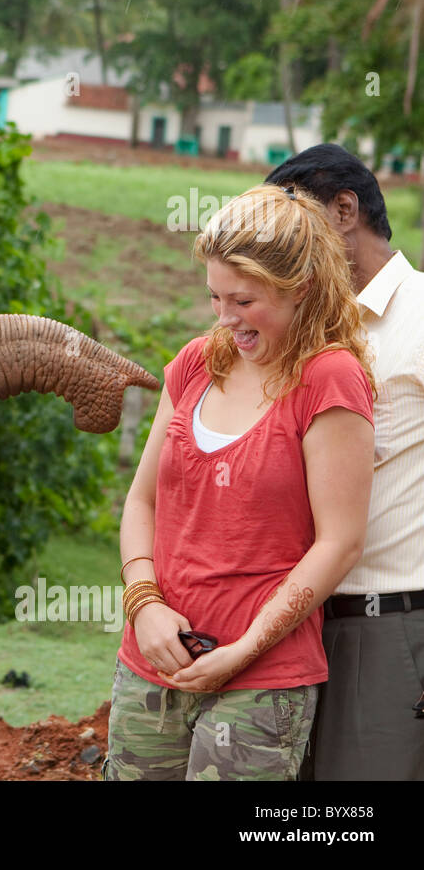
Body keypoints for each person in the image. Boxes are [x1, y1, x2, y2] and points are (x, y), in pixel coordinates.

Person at [104, 183, 375, 780]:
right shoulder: (198, 361)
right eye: (215, 298)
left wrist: (244, 650)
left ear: (300, 287)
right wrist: (143, 605)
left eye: (244, 302)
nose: (226, 320)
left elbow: (340, 542)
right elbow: (141, 501)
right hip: (154, 660)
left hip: (260, 678)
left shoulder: (330, 377)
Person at [266, 143, 424, 780]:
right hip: (288, 624)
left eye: (292, 225)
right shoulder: (301, 328)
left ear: (344, 210)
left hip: (389, 624)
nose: (280, 247)